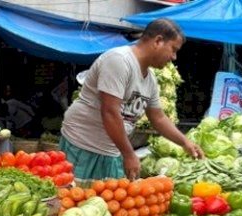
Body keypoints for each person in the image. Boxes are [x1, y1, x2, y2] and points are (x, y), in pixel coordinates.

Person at [60, 18, 203, 180]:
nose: (174, 57)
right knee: (77, 198)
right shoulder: (119, 61)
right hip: (84, 146)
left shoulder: (150, 80)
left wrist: (185, 142)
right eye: (173, 49)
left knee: (111, 201)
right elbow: (109, 111)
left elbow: (158, 118)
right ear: (158, 41)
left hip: (112, 151)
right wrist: (129, 154)